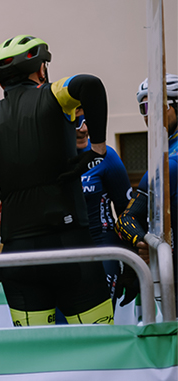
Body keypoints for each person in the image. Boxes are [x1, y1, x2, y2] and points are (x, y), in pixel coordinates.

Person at [0, 35, 113, 326]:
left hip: (18, 253)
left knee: (38, 349)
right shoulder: (53, 94)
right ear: (41, 70)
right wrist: (98, 147)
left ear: (1, 81)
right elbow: (90, 84)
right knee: (98, 345)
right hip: (69, 244)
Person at [116, 73, 178, 306]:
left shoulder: (169, 163)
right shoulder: (163, 160)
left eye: (159, 105)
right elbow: (126, 220)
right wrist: (145, 243)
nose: (150, 114)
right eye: (144, 107)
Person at [73, 106, 131, 307]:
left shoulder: (106, 156)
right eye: (76, 122)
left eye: (87, 121)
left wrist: (131, 267)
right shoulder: (48, 160)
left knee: (100, 318)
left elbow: (127, 211)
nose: (84, 129)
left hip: (102, 246)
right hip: (63, 252)